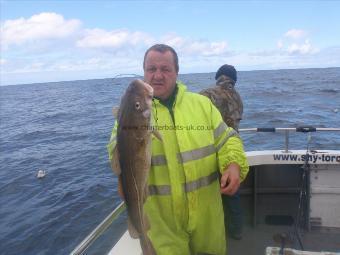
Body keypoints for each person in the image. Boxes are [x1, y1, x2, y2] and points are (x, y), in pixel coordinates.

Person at [107, 44, 249, 255]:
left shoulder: (202, 104)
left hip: (207, 218)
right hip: (162, 225)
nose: (157, 75)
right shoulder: (128, 116)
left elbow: (228, 138)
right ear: (144, 71)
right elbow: (115, 153)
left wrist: (234, 164)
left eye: (165, 69)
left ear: (177, 72)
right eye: (151, 69)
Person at [200, 64, 244, 240]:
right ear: (233, 79)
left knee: (211, 193)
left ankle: (214, 232)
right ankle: (237, 230)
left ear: (218, 76)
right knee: (232, 191)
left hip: (213, 150)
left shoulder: (208, 93)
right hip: (233, 149)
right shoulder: (238, 97)